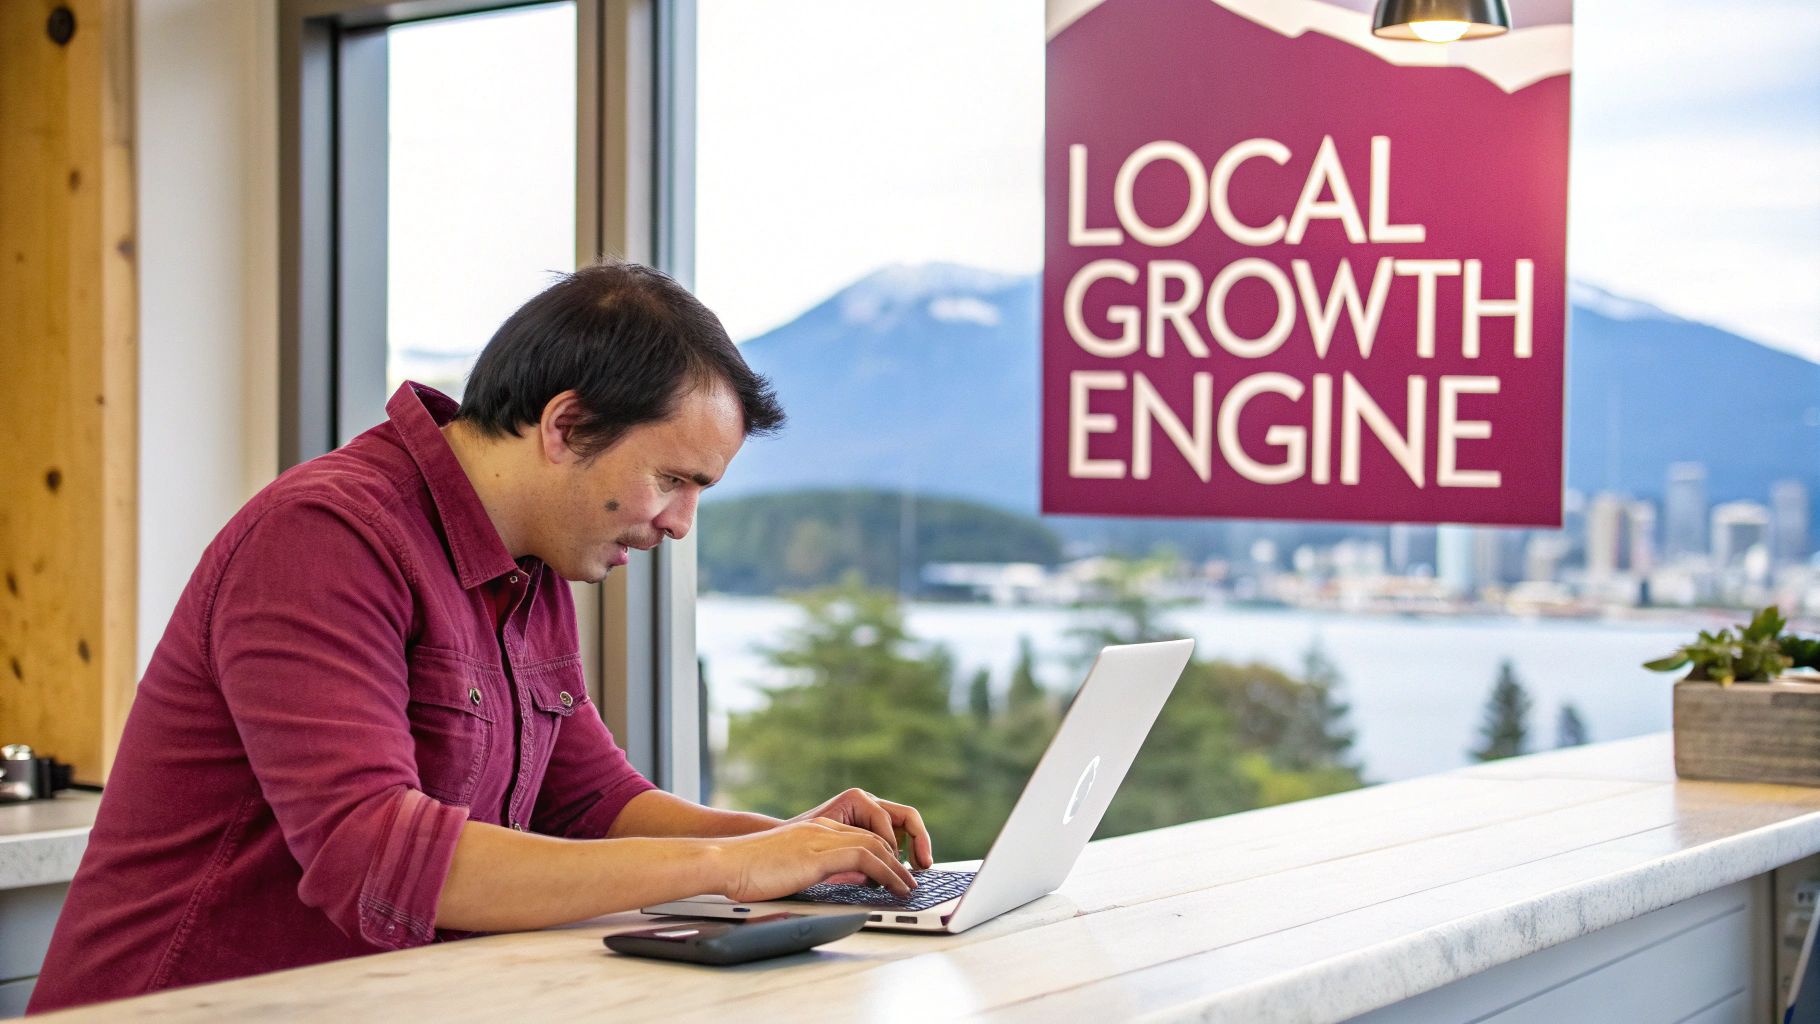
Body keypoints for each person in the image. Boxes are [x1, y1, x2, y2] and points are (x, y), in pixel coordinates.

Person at [28, 261, 932, 1014]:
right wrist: (733, 865)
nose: (680, 524)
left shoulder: (530, 562)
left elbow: (589, 802)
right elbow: (376, 855)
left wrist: (802, 848)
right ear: (565, 426)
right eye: (672, 479)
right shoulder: (323, 536)